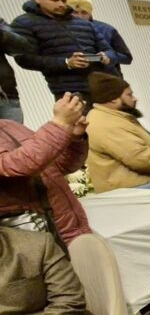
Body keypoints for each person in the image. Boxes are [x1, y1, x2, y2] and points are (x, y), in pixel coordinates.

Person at [0, 93, 91, 246]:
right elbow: (19, 165)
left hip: (70, 230)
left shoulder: (9, 126)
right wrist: (60, 124)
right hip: (35, 244)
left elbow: (59, 166)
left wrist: (73, 137)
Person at [10, 0, 114, 99]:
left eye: (63, 0)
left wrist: (106, 56)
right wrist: (66, 63)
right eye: (54, 0)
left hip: (104, 85)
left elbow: (108, 50)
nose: (60, 4)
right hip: (68, 89)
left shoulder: (82, 23)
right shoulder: (24, 23)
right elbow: (25, 59)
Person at [84, 72, 150, 192]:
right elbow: (142, 160)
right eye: (129, 94)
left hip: (139, 189)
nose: (135, 99)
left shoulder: (111, 118)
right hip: (137, 193)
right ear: (113, 98)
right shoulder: (106, 124)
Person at [0, 15, 34, 122]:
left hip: (7, 96)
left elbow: (22, 47)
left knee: (16, 133)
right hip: (8, 98)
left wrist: (2, 36)